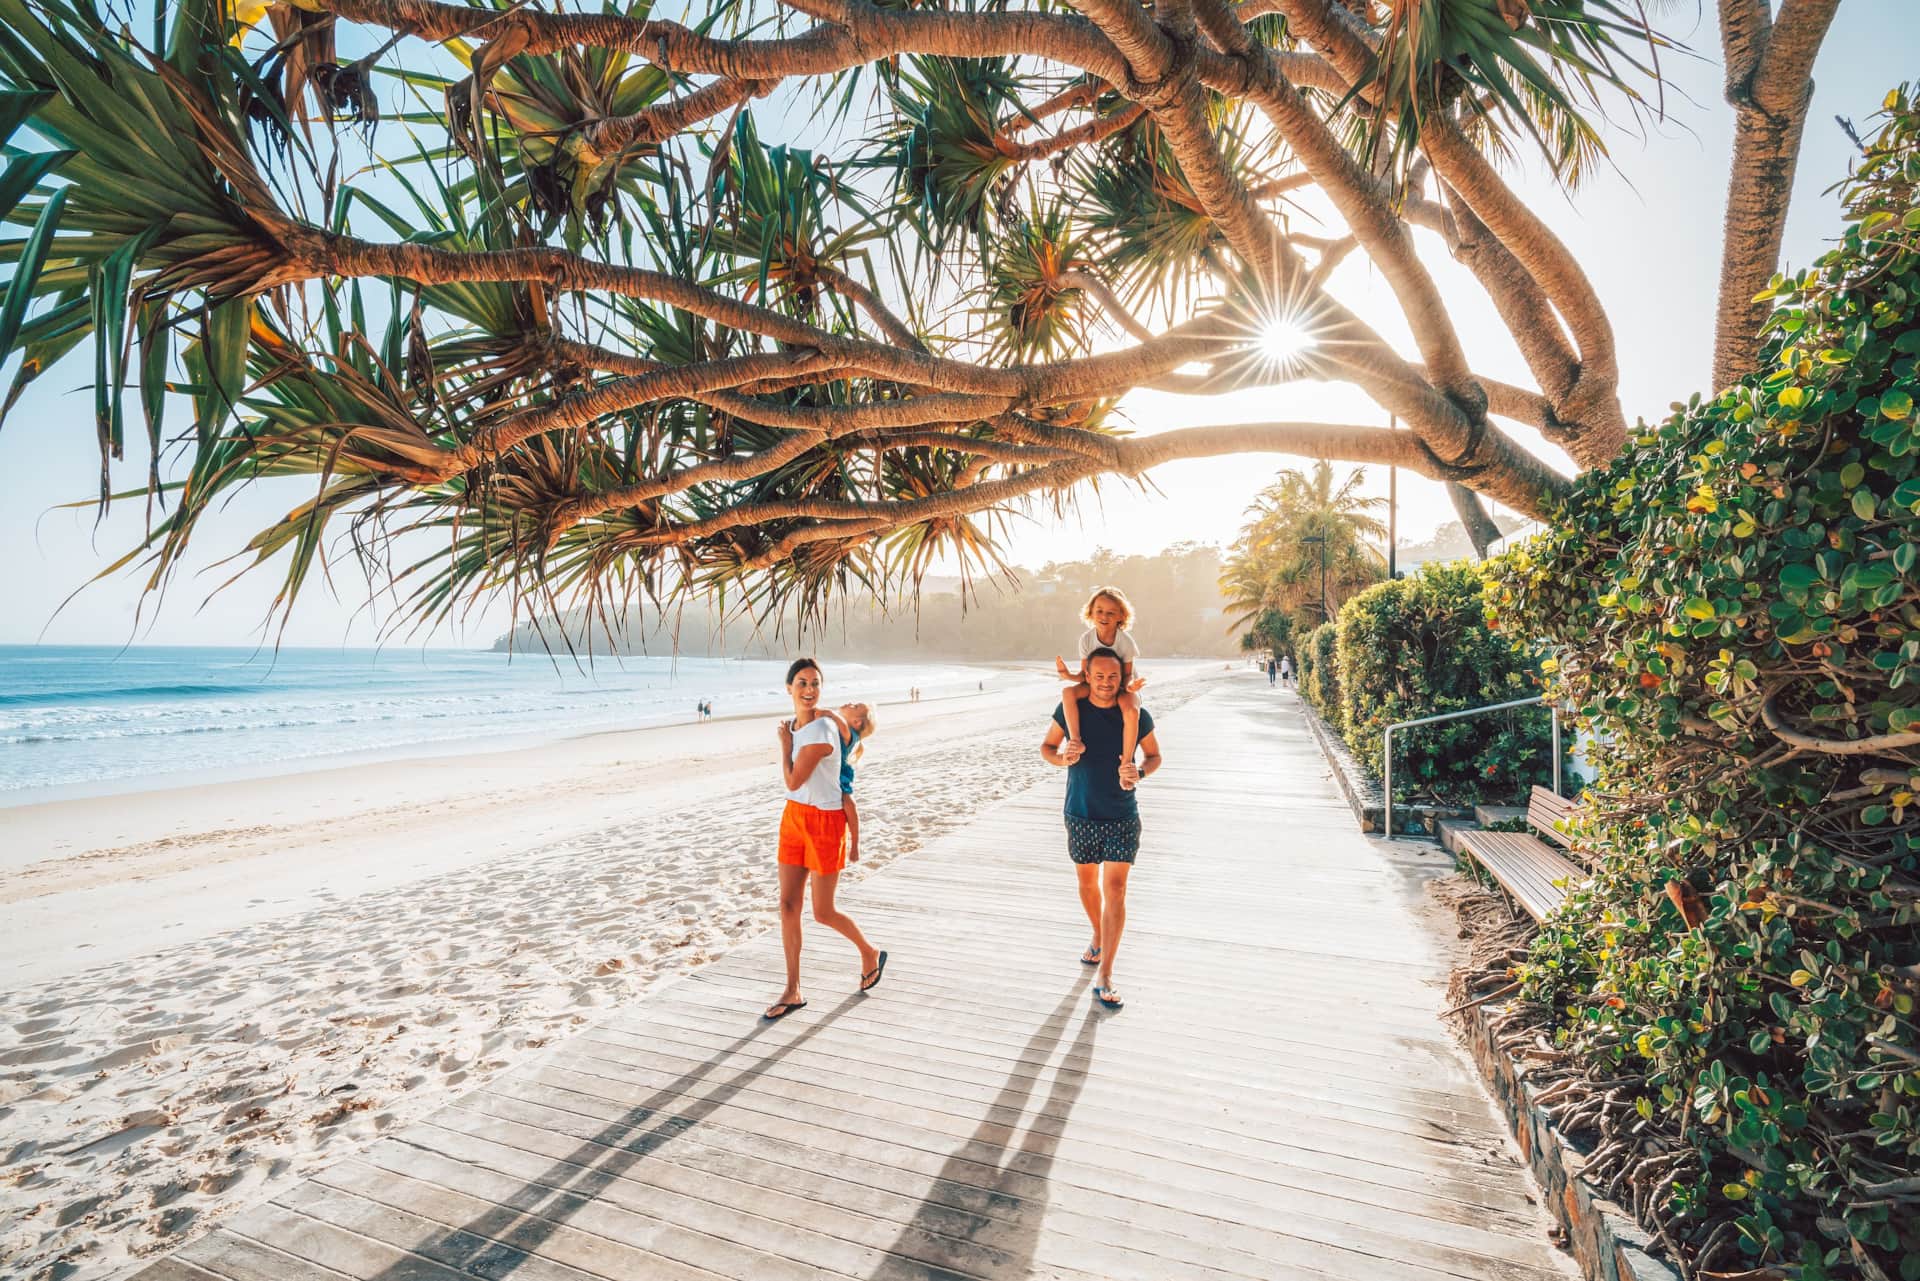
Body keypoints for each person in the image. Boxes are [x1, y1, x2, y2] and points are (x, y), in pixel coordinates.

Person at [1040, 647, 1162, 1011]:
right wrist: (1062, 758)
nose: (1106, 683)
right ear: (1087, 677)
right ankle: (1097, 932)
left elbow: (1155, 756)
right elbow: (1046, 747)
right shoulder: (1070, 710)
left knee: (1117, 889)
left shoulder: (1136, 716)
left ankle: (1106, 973)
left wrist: (1139, 771)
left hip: (1122, 814)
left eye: (1113, 677)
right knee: (1087, 884)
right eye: (1099, 676)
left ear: (1121, 679)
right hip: (1079, 812)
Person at [765, 659, 886, 1020]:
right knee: (788, 906)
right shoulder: (814, 721)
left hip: (825, 822)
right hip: (793, 818)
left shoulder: (820, 734)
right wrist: (794, 733)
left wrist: (784, 745)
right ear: (789, 688)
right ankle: (793, 989)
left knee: (822, 911)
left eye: (815, 683)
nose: (809, 689)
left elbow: (792, 779)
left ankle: (868, 951)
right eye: (801, 682)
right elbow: (794, 791)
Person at [1054, 587, 1146, 783]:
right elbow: (1085, 676)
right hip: (1096, 684)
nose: (1104, 616)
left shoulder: (1125, 641)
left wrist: (1130, 688)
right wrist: (1067, 675)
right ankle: (1075, 741)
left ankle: (1126, 762)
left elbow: (1128, 675)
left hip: (1122, 684)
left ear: (1121, 616)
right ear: (1091, 612)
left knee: (1131, 711)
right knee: (1067, 692)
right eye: (1099, 611)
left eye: (1111, 612)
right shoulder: (1086, 639)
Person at [818, 702, 876, 865]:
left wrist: (830, 713)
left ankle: (855, 844)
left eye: (855, 706)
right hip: (830, 770)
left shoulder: (850, 733)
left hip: (840, 773)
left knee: (847, 801)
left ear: (857, 722)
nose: (850, 703)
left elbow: (842, 728)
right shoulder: (840, 725)